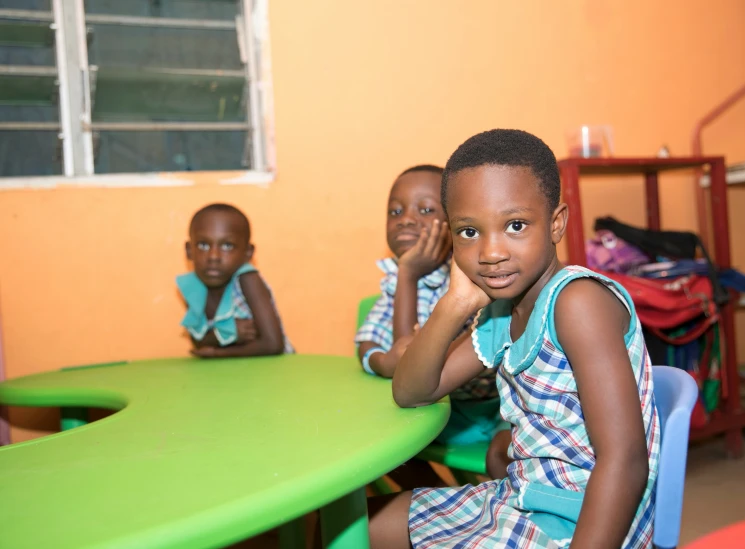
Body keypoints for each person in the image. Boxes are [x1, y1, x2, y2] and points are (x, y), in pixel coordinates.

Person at [369, 130, 659, 549]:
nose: (490, 252)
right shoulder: (500, 314)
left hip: (585, 518)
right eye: (469, 232)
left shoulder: (576, 303)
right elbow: (412, 390)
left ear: (556, 223)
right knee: (362, 525)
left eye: (515, 225)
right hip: (523, 495)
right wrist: (453, 304)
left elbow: (626, 461)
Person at [355, 165, 506, 488]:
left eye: (425, 209)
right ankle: (441, 504)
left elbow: (409, 360)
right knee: (370, 443)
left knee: (503, 458)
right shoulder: (392, 283)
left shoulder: (470, 279)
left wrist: (408, 274)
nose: (406, 219)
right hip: (431, 411)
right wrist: (380, 360)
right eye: (395, 211)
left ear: (456, 224)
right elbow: (377, 348)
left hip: (494, 413)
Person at [177, 203, 293, 357]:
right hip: (233, 372)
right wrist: (229, 332)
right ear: (189, 251)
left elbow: (273, 344)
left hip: (272, 370)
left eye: (227, 246)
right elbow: (198, 341)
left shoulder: (247, 280)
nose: (214, 256)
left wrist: (218, 353)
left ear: (248, 253)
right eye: (203, 245)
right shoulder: (192, 287)